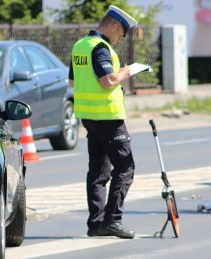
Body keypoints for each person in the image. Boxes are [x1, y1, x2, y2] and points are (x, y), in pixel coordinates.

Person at [69, 6, 138, 239]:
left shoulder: (80, 45)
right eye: (121, 34)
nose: (120, 39)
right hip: (108, 116)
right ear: (114, 26)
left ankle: (96, 224)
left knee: (99, 170)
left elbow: (71, 82)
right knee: (126, 167)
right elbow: (108, 80)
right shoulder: (100, 47)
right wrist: (125, 73)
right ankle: (112, 221)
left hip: (88, 117)